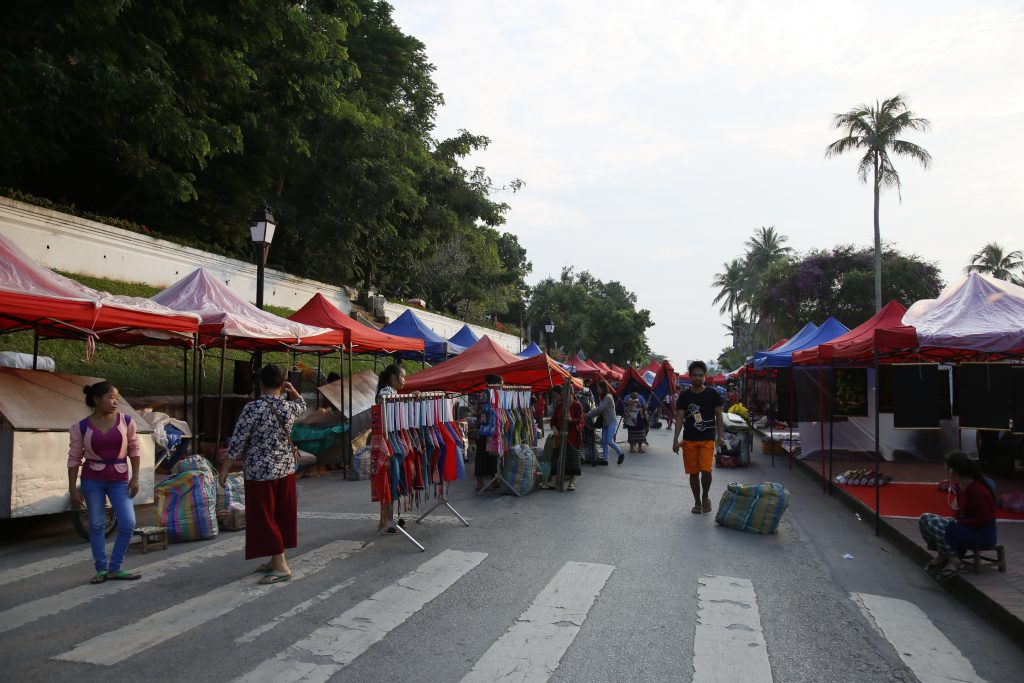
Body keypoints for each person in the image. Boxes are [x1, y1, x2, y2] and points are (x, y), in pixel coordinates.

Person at [219, 364, 306, 584]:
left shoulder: (253, 408)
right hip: (285, 470)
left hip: (260, 473)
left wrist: (225, 468)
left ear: (260, 383)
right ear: (283, 383)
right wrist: (292, 390)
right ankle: (274, 561)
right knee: (279, 515)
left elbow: (237, 440)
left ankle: (281, 565)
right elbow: (301, 404)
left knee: (264, 518)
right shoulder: (289, 407)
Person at [68, 382, 142, 584]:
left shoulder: (127, 422)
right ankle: (101, 569)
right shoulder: (80, 427)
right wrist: (73, 489)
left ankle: (115, 567)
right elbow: (74, 459)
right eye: (111, 397)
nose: (115, 401)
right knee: (97, 524)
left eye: (117, 397)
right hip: (92, 480)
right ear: (96, 400)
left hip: (119, 480)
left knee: (128, 523)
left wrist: (135, 477)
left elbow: (134, 450)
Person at [920, 451, 998, 580]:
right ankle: (944, 555)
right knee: (925, 519)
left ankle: (955, 562)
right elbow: (960, 510)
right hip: (966, 527)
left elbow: (984, 519)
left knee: (936, 524)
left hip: (981, 533)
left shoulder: (976, 489)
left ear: (953, 470)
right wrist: (956, 520)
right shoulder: (959, 485)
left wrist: (959, 523)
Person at [673, 361, 726, 514]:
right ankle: (697, 502)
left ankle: (705, 496)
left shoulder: (712, 394)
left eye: (700, 375)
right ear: (690, 377)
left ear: (705, 376)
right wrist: (675, 440)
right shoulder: (684, 396)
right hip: (689, 440)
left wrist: (720, 435)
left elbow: (719, 416)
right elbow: (680, 418)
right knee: (694, 473)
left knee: (706, 471)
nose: (697, 378)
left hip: (707, 439)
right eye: (694, 375)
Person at [548, 383, 583, 490]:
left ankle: (571, 482)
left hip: (572, 437)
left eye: (566, 394)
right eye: (563, 394)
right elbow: (553, 421)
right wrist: (554, 428)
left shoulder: (577, 405)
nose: (564, 396)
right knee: (556, 458)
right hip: (560, 436)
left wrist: (571, 420)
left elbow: (581, 421)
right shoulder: (559, 406)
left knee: (572, 459)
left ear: (571, 394)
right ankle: (554, 481)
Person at [475, 373, 504, 491]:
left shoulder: (496, 394)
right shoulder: (485, 393)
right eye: (500, 384)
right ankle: (479, 481)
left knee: (492, 454)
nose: (502, 386)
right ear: (494, 383)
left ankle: (493, 478)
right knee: (482, 454)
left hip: (492, 429)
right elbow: (482, 412)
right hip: (483, 429)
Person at [588, 380, 625, 465]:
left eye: (598, 388)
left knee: (609, 441)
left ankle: (621, 454)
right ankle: (605, 460)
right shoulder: (603, 397)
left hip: (611, 422)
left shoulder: (608, 397)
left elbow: (600, 410)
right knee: (604, 441)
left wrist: (588, 415)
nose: (597, 390)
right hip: (605, 423)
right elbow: (599, 410)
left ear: (602, 388)